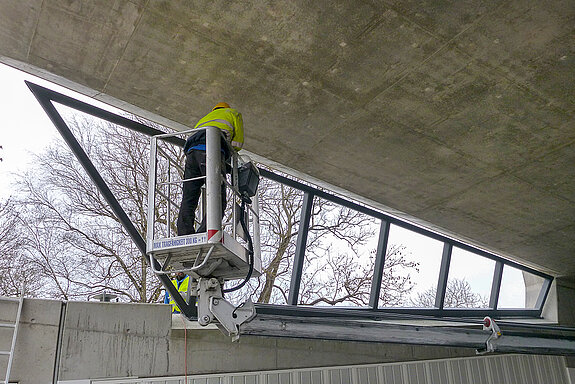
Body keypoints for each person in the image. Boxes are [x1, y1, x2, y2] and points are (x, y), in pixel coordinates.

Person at [176, 102, 244, 235]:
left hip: (191, 154)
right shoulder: (233, 113)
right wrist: (229, 155)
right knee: (218, 195)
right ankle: (205, 231)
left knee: (189, 196)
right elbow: (237, 143)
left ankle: (184, 233)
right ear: (226, 108)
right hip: (211, 149)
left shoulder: (204, 119)